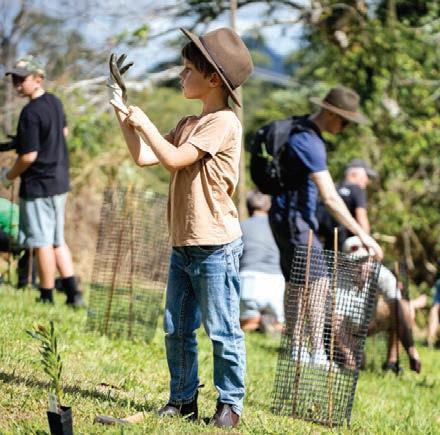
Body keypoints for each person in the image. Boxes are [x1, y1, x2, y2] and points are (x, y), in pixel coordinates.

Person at [110, 27, 252, 428]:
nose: (180, 74)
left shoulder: (223, 123)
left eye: (188, 68)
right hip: (184, 243)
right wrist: (122, 110)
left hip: (216, 246)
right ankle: (183, 399)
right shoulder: (190, 122)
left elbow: (173, 160)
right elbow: (144, 157)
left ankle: (230, 406)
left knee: (222, 331)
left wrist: (145, 122)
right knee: (176, 329)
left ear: (213, 79)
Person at [268, 86, 383, 366]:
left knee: (296, 281)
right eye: (345, 121)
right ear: (331, 114)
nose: (345, 128)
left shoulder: (301, 130)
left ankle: (297, 348)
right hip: (295, 220)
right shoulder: (309, 142)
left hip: (284, 216)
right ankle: (317, 351)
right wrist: (363, 235)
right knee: (319, 282)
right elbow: (330, 198)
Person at [2, 55, 83, 306]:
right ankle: (73, 293)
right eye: (14, 79)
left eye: (22, 79)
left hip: (38, 185)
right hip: (59, 182)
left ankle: (46, 296)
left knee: (41, 242)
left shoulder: (30, 112)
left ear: (38, 79)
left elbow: (28, 156)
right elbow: (63, 133)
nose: (17, 84)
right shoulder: (54, 102)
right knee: (57, 239)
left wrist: (9, 176)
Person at [344, 236, 421, 373]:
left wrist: (411, 350)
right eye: (355, 262)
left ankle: (392, 362)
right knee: (355, 364)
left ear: (371, 260)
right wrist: (349, 355)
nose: (360, 266)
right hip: (345, 329)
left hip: (370, 323)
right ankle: (352, 356)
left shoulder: (383, 275)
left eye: (364, 260)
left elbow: (398, 309)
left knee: (404, 309)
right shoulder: (338, 277)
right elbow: (334, 322)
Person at [239, 190, 285, 333]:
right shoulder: (279, 227)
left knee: (247, 325)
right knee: (278, 324)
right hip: (276, 281)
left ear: (248, 207)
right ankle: (271, 324)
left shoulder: (240, 226)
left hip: (249, 280)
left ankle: (255, 322)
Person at [318, 158, 376, 251]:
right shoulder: (357, 190)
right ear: (354, 174)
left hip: (323, 240)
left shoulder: (333, 189)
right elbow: (361, 216)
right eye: (367, 176)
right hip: (344, 243)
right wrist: (367, 242)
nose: (368, 181)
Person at [0, 197, 36, 288]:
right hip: (29, 235)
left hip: (14, 236)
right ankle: (26, 282)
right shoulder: (5, 203)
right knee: (30, 251)